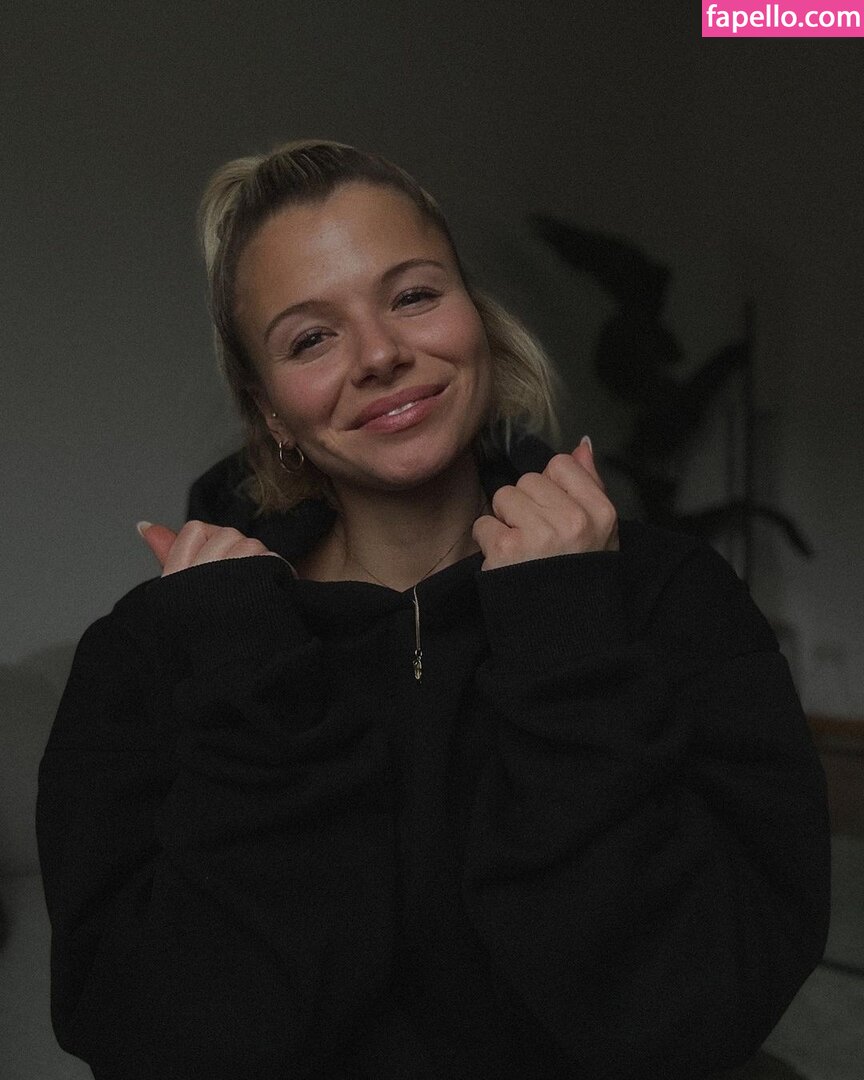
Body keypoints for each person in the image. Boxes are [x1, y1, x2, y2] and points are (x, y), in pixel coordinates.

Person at [36, 140, 830, 1080]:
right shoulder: (157, 648)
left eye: (413, 295)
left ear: (478, 320)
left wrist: (565, 630)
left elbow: (697, 1015)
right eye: (310, 338)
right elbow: (157, 1044)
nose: (380, 355)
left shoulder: (669, 595)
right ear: (271, 411)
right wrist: (247, 680)